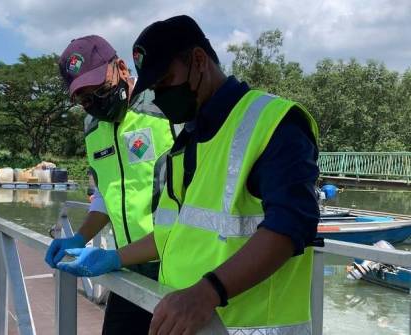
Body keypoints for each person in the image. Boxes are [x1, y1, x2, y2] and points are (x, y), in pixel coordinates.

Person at [56, 16, 320, 335]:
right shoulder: (189, 141)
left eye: (165, 82)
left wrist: (208, 291)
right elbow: (170, 233)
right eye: (153, 88)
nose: (161, 97)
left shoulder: (274, 122)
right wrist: (112, 257)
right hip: (181, 309)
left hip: (241, 322)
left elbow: (292, 224)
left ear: (198, 61)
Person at [46, 35, 178, 334]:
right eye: (83, 98)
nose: (93, 102)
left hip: (177, 270)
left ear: (120, 67)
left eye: (98, 88)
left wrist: (114, 257)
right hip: (129, 265)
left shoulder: (166, 106)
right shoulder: (92, 128)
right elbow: (108, 194)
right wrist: (79, 238)